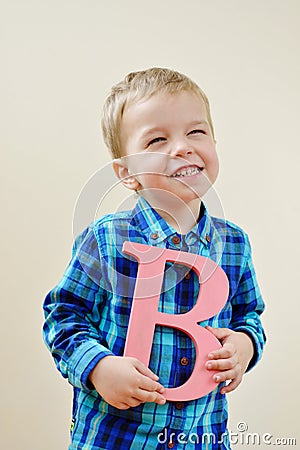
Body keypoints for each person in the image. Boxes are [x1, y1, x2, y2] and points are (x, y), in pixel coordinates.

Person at [43, 68, 266, 449]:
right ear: (126, 174)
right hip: (115, 437)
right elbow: (64, 316)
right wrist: (98, 367)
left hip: (201, 436)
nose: (182, 147)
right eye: (158, 139)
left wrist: (245, 345)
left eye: (196, 132)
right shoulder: (106, 239)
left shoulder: (233, 244)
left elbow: (249, 315)